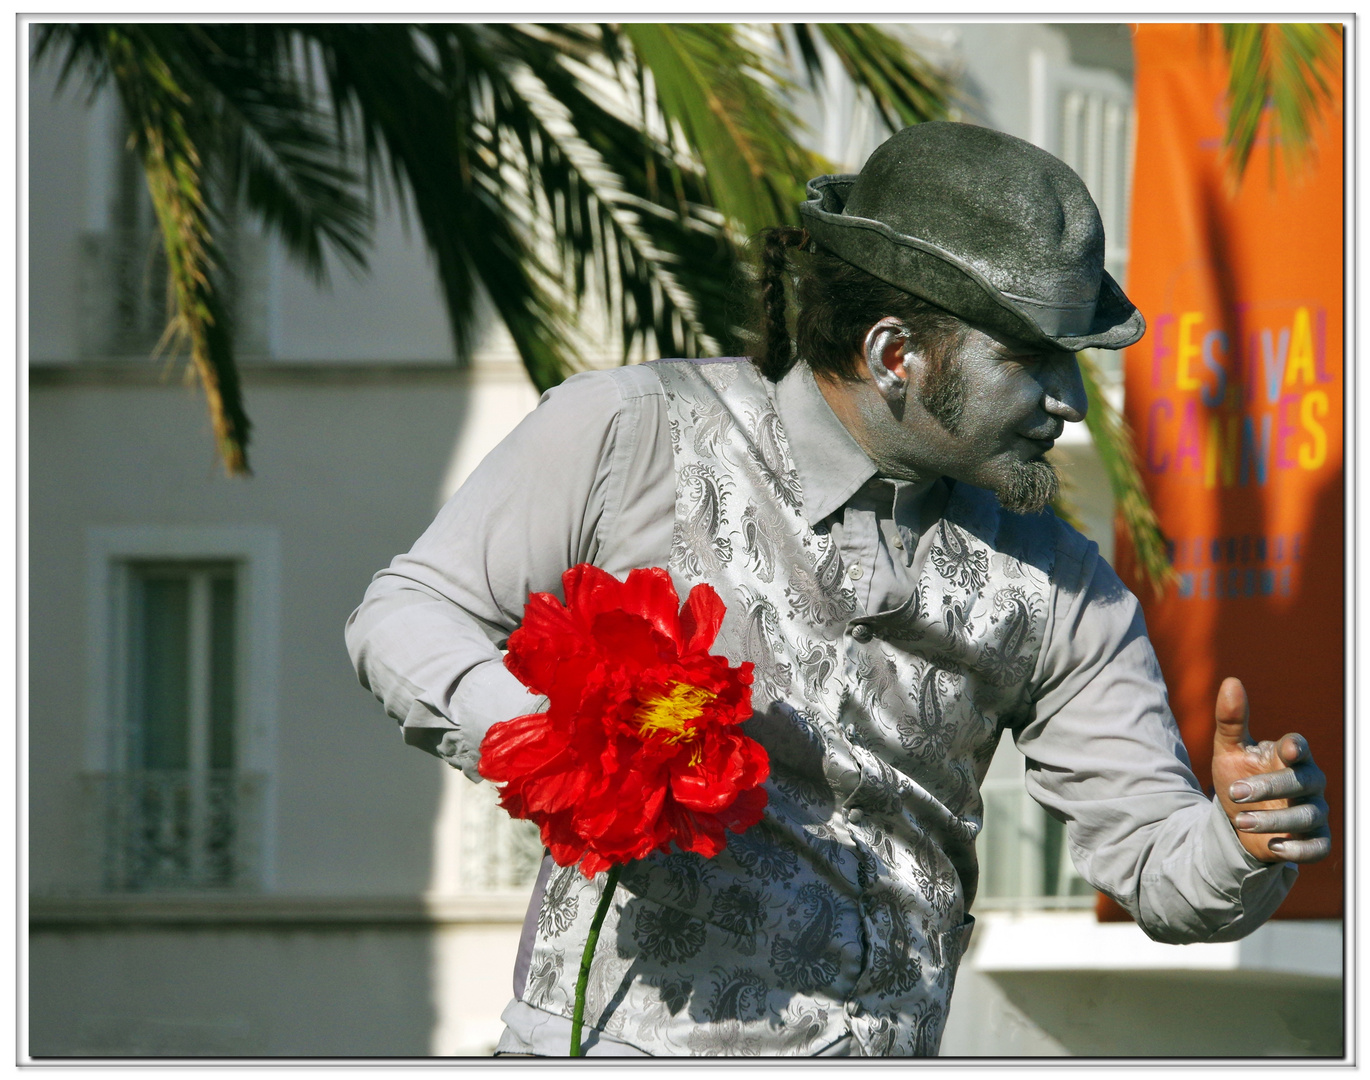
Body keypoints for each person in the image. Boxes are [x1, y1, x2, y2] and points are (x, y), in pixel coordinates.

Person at [345, 122, 1330, 1057]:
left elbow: (1158, 869)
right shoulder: (630, 435)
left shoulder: (1066, 584)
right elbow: (406, 613)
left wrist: (1239, 839)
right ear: (893, 354)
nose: (1069, 404)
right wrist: (556, 751)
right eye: (1032, 361)